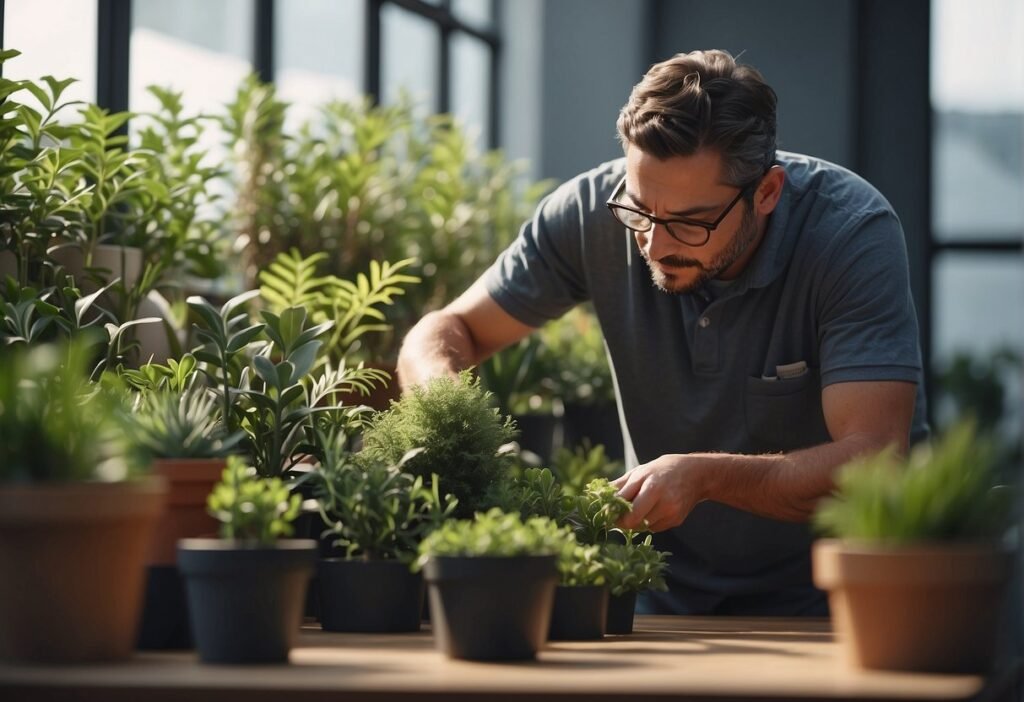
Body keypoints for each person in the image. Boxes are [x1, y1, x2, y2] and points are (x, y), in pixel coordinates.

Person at [397, 49, 928, 616]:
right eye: (639, 209)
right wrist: (449, 413)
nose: (656, 243)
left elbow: (873, 458)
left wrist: (703, 477)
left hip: (851, 595)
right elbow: (445, 331)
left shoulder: (850, 234)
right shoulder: (588, 213)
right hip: (663, 599)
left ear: (767, 192)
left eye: (692, 223)